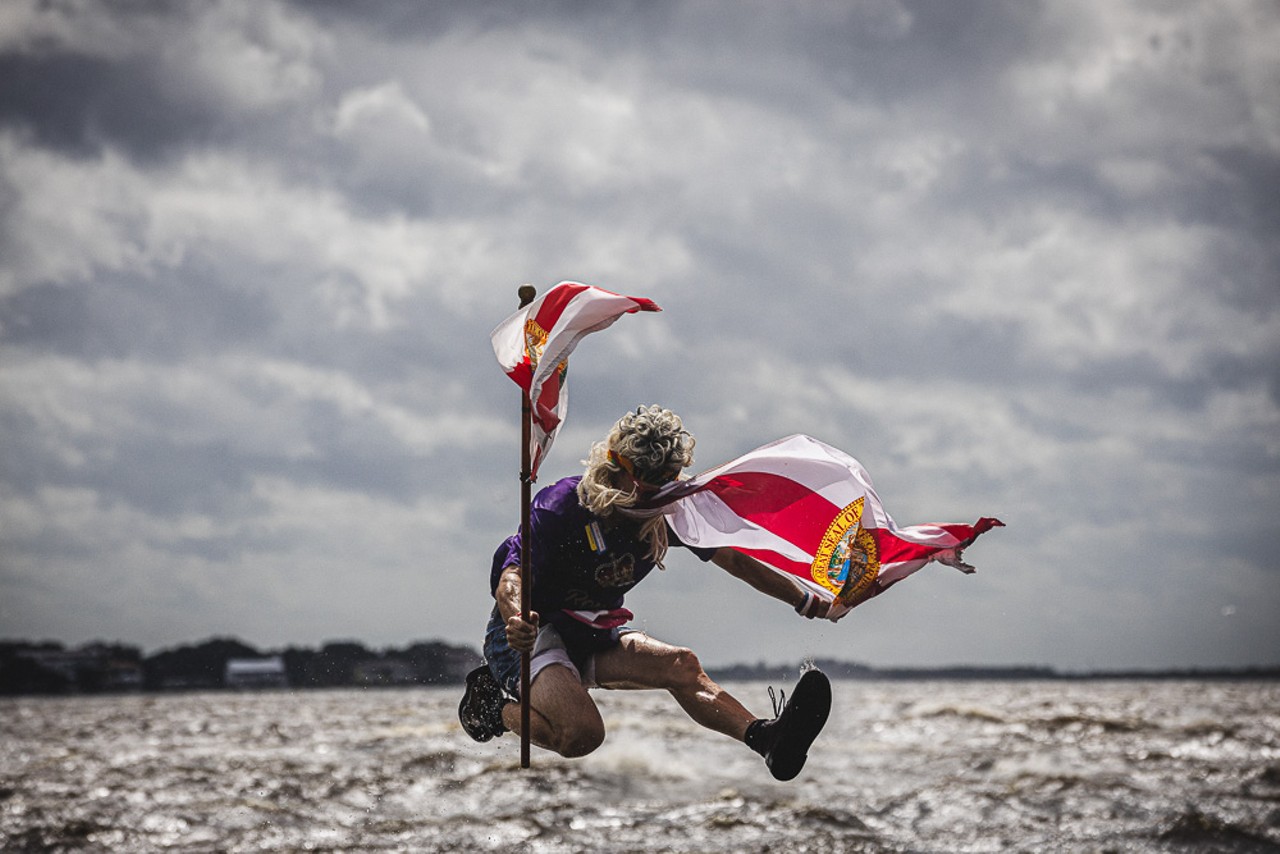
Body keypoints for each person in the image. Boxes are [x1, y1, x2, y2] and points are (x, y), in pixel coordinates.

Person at [459, 405, 833, 781]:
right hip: (529, 636)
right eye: (646, 482)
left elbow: (734, 560)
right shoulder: (564, 505)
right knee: (582, 735)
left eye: (666, 481)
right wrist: (515, 617)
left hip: (590, 635)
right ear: (617, 467)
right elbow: (511, 574)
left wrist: (804, 599)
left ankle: (766, 739)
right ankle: (490, 703)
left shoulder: (668, 512)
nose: (653, 495)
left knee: (680, 665)